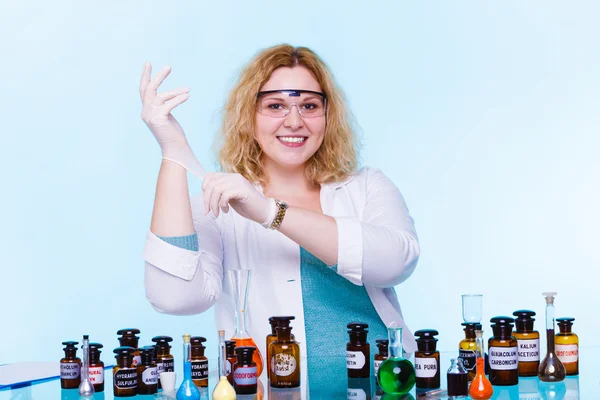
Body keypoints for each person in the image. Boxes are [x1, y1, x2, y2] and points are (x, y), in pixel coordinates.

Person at [141, 44, 420, 393]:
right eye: (275, 106)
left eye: (309, 106)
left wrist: (271, 212)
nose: (294, 121)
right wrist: (172, 152)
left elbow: (395, 262)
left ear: (328, 115)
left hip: (386, 388)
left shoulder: (366, 187)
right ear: (249, 116)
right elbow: (175, 297)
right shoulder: (220, 203)